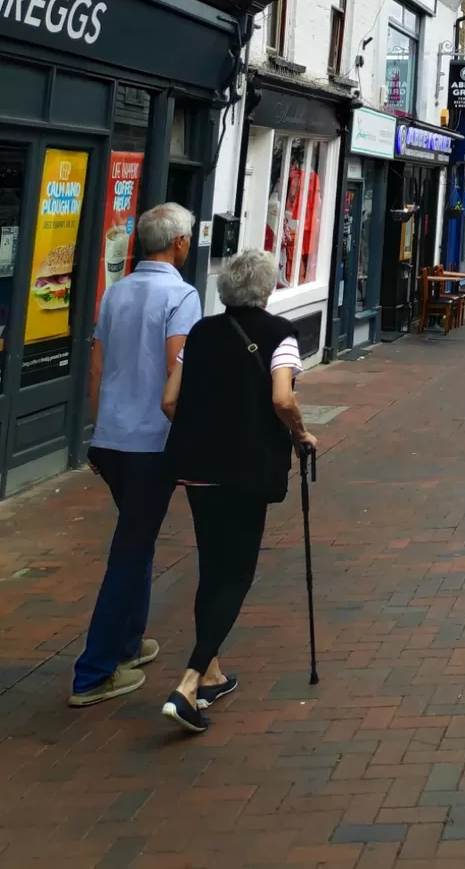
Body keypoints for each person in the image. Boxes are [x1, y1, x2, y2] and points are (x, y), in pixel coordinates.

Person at [159, 247, 315, 734]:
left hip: (199, 469)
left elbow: (170, 400)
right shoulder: (280, 335)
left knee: (212, 567)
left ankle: (212, 674)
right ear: (267, 291)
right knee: (238, 574)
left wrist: (201, 433)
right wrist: (300, 433)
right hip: (247, 472)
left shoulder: (201, 333)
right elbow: (282, 397)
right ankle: (188, 684)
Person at [69, 203, 201, 709]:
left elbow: (97, 370)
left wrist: (99, 430)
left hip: (113, 438)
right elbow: (177, 369)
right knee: (129, 548)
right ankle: (94, 671)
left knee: (137, 536)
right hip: (152, 442)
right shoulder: (182, 295)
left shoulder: (116, 292)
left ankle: (127, 642)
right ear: (179, 245)